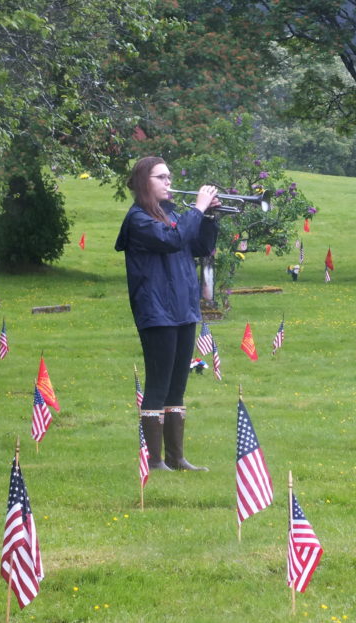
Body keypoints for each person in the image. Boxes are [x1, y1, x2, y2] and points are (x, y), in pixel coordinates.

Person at [115, 156, 220, 471]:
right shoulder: (139, 220)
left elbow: (199, 245)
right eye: (161, 177)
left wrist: (210, 217)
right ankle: (155, 460)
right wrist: (198, 208)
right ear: (144, 182)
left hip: (183, 308)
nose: (169, 182)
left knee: (177, 385)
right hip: (157, 310)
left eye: (169, 177)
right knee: (158, 384)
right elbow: (172, 239)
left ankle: (177, 458)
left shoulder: (172, 215)